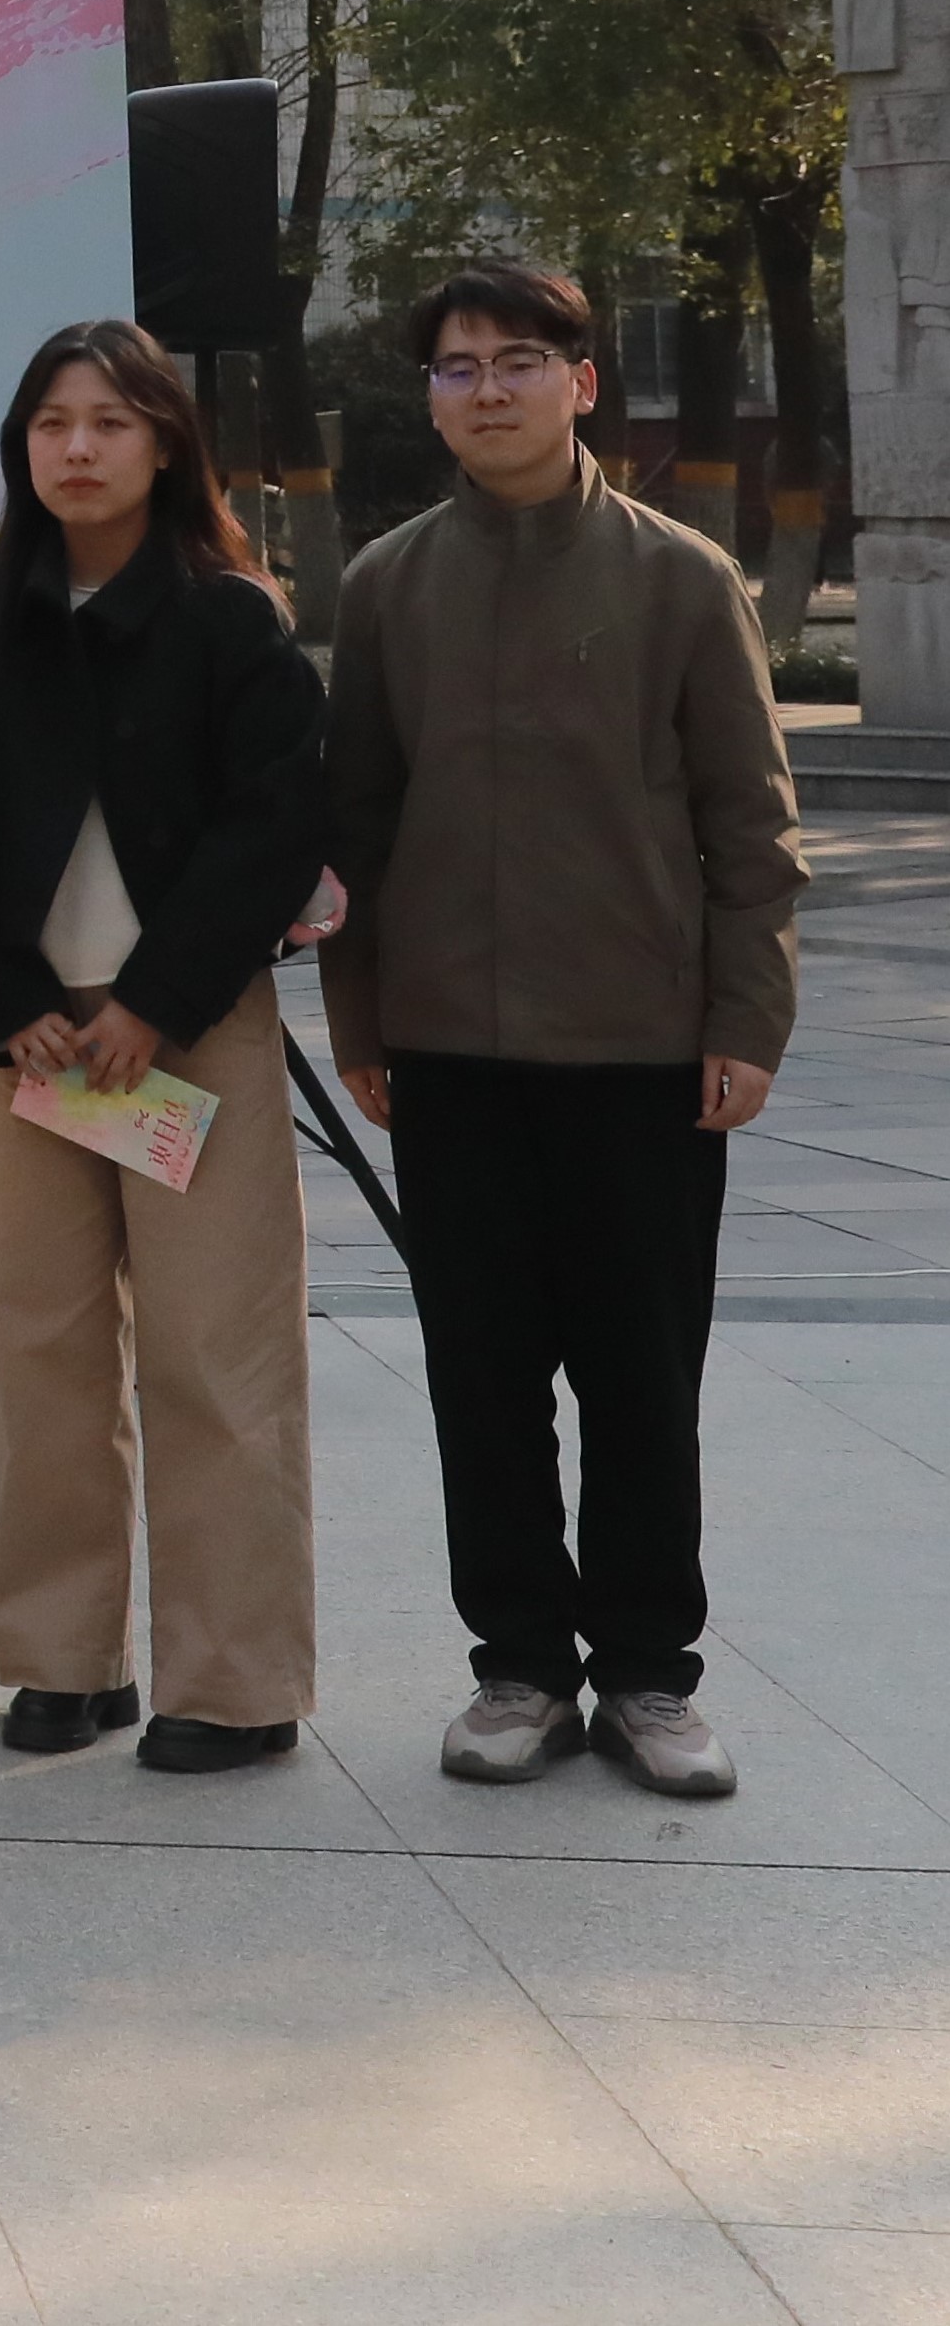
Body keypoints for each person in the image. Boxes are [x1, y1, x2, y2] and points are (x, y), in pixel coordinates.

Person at [329, 257, 802, 1801]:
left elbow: (751, 823)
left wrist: (747, 1015)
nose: (488, 388)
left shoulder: (682, 579)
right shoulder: (388, 585)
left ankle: (652, 1673)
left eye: (518, 360)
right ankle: (521, 1665)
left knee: (643, 1379)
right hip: (451, 1052)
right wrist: (363, 1019)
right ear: (431, 399)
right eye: (457, 366)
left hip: (640, 1050)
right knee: (482, 1378)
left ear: (582, 382)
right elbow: (359, 823)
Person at [0, 319, 332, 1776]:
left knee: (214, 1355)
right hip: (40, 1047)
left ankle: (234, 1682)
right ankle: (63, 1662)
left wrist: (153, 999)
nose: (79, 448)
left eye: (111, 421)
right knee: (43, 1351)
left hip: (189, 1029)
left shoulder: (230, 616)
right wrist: (8, 999)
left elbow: (276, 824)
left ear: (167, 443)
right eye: (53, 423)